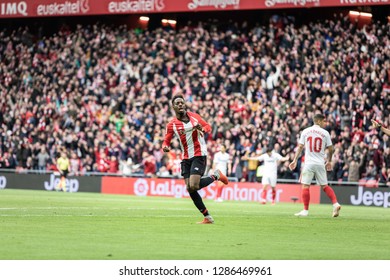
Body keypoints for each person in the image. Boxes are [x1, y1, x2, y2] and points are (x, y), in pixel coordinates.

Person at [162, 95, 228, 224]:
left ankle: (216, 175)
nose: (180, 105)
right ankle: (207, 217)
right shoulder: (172, 125)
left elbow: (208, 127)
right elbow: (166, 140)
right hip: (185, 157)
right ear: (173, 107)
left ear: (185, 104)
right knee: (189, 188)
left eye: (182, 102)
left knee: (194, 185)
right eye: (177, 103)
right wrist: (165, 146)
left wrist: (202, 129)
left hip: (199, 154)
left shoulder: (194, 117)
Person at [289, 114, 341, 217]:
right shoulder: (325, 133)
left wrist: (295, 160)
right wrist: (329, 161)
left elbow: (300, 146)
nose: (325, 123)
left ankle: (305, 210)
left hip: (308, 163)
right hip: (320, 163)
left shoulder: (305, 131)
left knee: (305, 186)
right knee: (325, 186)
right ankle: (335, 203)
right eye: (323, 121)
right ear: (318, 121)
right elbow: (331, 149)